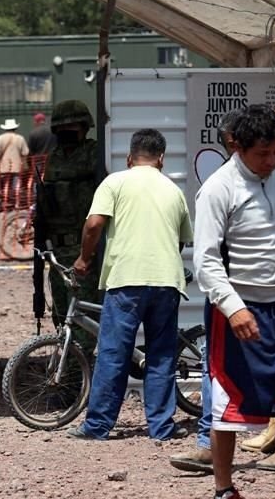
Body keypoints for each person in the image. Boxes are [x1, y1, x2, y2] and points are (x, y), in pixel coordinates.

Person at [194, 105, 275, 499]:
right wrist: (234, 308)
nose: (271, 160)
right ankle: (224, 489)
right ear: (238, 148)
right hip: (238, 309)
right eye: (262, 154)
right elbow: (205, 262)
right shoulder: (217, 189)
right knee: (228, 406)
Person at [66, 129, 192, 441]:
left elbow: (94, 224)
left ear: (129, 157)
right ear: (161, 159)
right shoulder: (173, 190)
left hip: (126, 281)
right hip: (166, 282)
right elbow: (180, 241)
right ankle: (162, 427)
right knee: (161, 355)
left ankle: (98, 426)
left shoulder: (115, 183)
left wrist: (83, 259)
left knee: (114, 353)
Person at [169, 109, 242, 473]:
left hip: (265, 295)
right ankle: (209, 445)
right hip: (232, 295)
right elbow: (206, 255)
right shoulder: (219, 186)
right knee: (217, 368)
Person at [34, 99, 103, 350]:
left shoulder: (94, 153)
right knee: (62, 315)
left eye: (72, 128)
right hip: (57, 250)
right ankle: (71, 368)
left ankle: (79, 371)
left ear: (84, 127)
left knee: (82, 319)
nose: (66, 133)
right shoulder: (54, 157)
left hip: (84, 248)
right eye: (62, 128)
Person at [0, 118, 29, 211]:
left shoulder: (0, 138)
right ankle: (16, 203)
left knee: (5, 185)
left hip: (4, 166)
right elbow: (25, 152)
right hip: (17, 166)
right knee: (16, 186)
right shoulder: (20, 138)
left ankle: (5, 203)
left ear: (5, 128)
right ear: (15, 128)